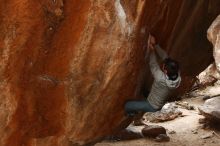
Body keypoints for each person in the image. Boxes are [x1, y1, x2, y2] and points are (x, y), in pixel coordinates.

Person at [125, 34, 181, 117]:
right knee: (145, 92)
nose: (163, 65)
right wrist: (155, 45)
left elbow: (153, 64)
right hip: (158, 101)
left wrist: (151, 49)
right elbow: (166, 58)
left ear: (165, 71)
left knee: (128, 105)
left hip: (152, 106)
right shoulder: (177, 75)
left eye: (164, 66)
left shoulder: (160, 78)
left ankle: (131, 113)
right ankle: (146, 96)